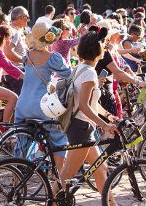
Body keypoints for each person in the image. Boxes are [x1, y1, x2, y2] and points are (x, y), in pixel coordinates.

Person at [56, 28, 118, 205]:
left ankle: (111, 204)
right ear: (98, 50)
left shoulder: (80, 68)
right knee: (67, 175)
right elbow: (84, 105)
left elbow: (90, 102)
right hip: (81, 127)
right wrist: (104, 125)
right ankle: (51, 201)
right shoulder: (90, 73)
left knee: (101, 168)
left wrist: (108, 116)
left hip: (83, 126)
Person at [15, 22, 71, 170]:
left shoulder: (26, 56)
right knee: (60, 139)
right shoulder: (53, 57)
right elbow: (69, 74)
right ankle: (58, 177)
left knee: (21, 142)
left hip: (22, 105)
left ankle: (15, 175)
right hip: (42, 106)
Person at [2, 6, 30, 96]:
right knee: (24, 101)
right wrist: (25, 60)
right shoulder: (14, 32)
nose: (28, 20)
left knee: (15, 102)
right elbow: (7, 52)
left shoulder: (11, 30)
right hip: (16, 72)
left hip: (10, 73)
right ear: (21, 17)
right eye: (27, 17)